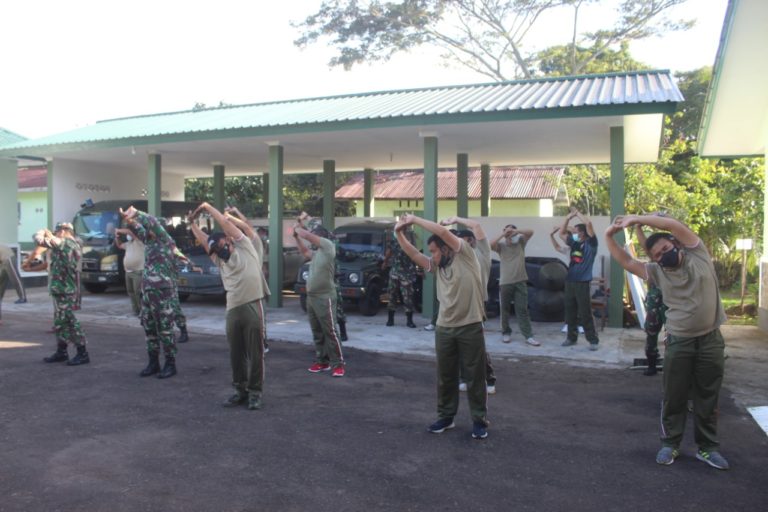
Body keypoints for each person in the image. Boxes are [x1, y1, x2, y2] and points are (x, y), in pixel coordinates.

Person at [605, 214, 729, 470]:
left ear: (676, 244)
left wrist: (635, 218)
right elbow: (626, 260)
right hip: (679, 342)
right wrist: (608, 236)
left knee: (708, 395)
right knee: (674, 396)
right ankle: (669, 444)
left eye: (665, 249)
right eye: (658, 255)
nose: (664, 256)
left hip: (710, 340)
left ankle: (708, 448)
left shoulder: (698, 255)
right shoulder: (657, 272)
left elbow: (672, 225)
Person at [395, 213, 489, 440]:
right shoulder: (438, 266)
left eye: (435, 251)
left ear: (446, 249)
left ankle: (479, 420)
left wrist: (414, 220)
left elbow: (444, 233)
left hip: (470, 326)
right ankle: (446, 417)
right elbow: (413, 254)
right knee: (445, 376)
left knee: (475, 376)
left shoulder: (465, 255)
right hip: (445, 328)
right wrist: (398, 233)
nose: (432, 256)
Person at [190, 202, 269, 410]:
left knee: (255, 352)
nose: (219, 250)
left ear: (228, 239)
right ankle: (239, 390)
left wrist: (208, 207)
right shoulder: (220, 260)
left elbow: (225, 223)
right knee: (236, 353)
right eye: (215, 249)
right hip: (233, 308)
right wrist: (192, 224)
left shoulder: (244, 246)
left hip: (252, 304)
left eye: (221, 245)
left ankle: (255, 392)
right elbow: (204, 241)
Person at [440, 217, 499, 394]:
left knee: (477, 345)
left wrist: (455, 219)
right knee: (458, 344)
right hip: (458, 304)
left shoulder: (482, 252)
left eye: (461, 239)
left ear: (471, 240)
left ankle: (489, 379)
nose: (457, 243)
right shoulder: (457, 257)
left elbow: (476, 226)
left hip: (477, 305)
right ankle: (464, 378)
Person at [120, 206, 179, 379]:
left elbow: (151, 223)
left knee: (165, 329)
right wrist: (128, 219)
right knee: (149, 328)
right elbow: (136, 228)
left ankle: (170, 364)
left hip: (163, 292)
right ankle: (153, 363)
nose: (146, 230)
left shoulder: (165, 240)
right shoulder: (149, 240)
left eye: (149, 228)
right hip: (148, 291)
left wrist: (137, 213)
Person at [293, 213, 345, 377]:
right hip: (312, 297)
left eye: (315, 236)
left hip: (325, 296)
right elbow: (304, 250)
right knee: (317, 331)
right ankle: (322, 361)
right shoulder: (317, 254)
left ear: (320, 237)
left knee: (330, 331)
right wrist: (296, 237)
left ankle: (338, 363)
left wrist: (298, 227)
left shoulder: (328, 246)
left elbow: (307, 235)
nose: (312, 239)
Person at [36, 222, 90, 366]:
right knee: (60, 321)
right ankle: (62, 351)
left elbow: (39, 240)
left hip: (65, 289)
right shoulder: (66, 243)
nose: (56, 233)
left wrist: (42, 232)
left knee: (70, 321)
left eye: (58, 231)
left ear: (65, 231)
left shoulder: (67, 243)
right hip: (60, 288)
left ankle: (82, 353)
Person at [491, 223, 540, 347]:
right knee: (504, 309)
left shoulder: (521, 242)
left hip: (521, 281)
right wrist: (504, 233)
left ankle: (528, 336)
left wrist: (516, 231)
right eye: (508, 232)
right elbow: (490, 244)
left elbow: (531, 231)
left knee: (522, 309)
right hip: (505, 282)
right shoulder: (501, 246)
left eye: (512, 232)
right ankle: (505, 332)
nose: (510, 235)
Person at [559, 208, 600, 350]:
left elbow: (588, 223)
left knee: (585, 312)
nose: (573, 234)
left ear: (582, 233)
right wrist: (567, 218)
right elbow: (562, 233)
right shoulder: (574, 243)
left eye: (576, 232)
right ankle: (571, 338)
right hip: (570, 281)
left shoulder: (592, 244)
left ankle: (593, 340)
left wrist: (577, 214)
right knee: (570, 311)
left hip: (583, 282)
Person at [634, 223, 668, 376]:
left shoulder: (674, 259)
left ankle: (672, 364)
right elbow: (645, 245)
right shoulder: (655, 259)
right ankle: (652, 364)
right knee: (651, 332)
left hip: (670, 300)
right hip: (655, 298)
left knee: (673, 334)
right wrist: (637, 227)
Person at [383, 229, 418, 328]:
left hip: (407, 274)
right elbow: (388, 253)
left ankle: (409, 320)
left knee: (408, 297)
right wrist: (385, 263)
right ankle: (390, 319)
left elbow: (415, 255)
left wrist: (418, 269)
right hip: (395, 272)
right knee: (392, 296)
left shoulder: (409, 242)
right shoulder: (393, 242)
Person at [115, 225, 145, 316]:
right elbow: (119, 245)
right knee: (131, 292)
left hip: (138, 271)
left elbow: (129, 232)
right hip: (128, 272)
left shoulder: (140, 242)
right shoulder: (128, 244)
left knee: (138, 292)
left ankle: (142, 310)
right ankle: (136, 310)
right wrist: (117, 237)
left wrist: (118, 230)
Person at [0, 244, 27, 315]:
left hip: (8, 257)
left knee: (15, 277)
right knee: (1, 281)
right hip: (3, 260)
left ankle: (23, 297)